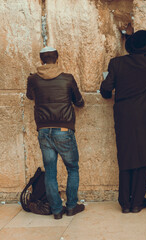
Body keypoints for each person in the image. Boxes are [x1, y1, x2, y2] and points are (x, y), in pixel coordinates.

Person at [100, 28, 146, 213]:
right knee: (143, 156)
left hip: (124, 114)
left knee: (126, 156)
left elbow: (105, 90)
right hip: (145, 113)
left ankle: (124, 203)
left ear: (130, 46)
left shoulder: (116, 63)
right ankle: (137, 202)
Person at [26, 46, 85, 219]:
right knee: (72, 168)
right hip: (64, 130)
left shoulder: (33, 79)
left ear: (41, 60)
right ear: (57, 59)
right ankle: (72, 206)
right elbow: (79, 101)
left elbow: (30, 97)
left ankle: (57, 211)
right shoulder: (67, 79)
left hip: (44, 130)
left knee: (50, 171)